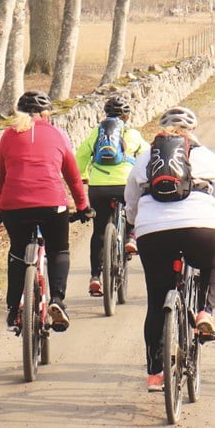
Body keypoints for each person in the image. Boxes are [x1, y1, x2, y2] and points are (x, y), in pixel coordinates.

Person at [125, 106, 215, 392]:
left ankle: (154, 374)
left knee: (155, 302)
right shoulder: (205, 157)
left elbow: (130, 201)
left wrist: (133, 221)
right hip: (199, 229)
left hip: (152, 234)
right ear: (192, 132)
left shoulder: (144, 158)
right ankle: (204, 312)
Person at [0, 91, 92, 333]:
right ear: (46, 113)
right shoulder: (58, 134)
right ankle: (57, 300)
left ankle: (13, 309)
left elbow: (1, 176)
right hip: (52, 204)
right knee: (59, 250)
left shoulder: (8, 135)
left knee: (17, 253)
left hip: (14, 206)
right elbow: (72, 175)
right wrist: (82, 206)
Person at [75, 95, 149, 296]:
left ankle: (95, 277)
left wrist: (83, 176)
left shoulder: (96, 133)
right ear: (126, 116)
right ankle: (132, 237)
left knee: (98, 231)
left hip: (99, 186)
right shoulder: (132, 133)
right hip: (125, 184)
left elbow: (80, 156)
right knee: (135, 205)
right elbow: (147, 156)